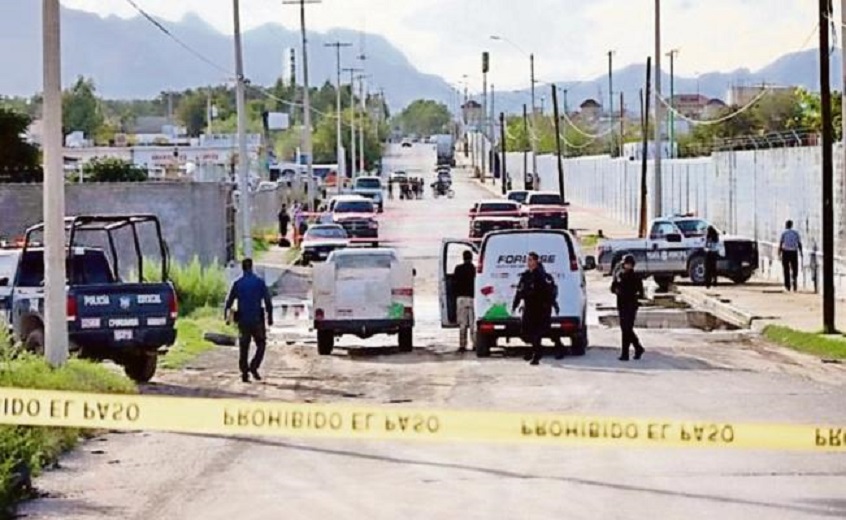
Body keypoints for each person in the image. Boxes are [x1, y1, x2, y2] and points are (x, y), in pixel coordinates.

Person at [225, 258, 274, 383]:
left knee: (244, 347)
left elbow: (229, 302)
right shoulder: (259, 282)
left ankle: (244, 373)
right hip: (257, 319)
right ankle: (254, 365)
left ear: (242, 268)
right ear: (252, 267)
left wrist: (226, 316)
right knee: (261, 344)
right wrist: (270, 317)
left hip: (243, 319)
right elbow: (268, 301)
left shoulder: (238, 283)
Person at [512, 252, 558, 365]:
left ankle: (537, 355)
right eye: (528, 260)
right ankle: (536, 350)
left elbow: (547, 292)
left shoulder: (540, 275)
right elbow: (520, 291)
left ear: (536, 262)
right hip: (528, 307)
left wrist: (554, 305)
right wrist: (515, 304)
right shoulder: (526, 275)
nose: (529, 263)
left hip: (539, 308)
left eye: (531, 260)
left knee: (537, 332)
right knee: (526, 332)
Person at [611, 254, 645, 362]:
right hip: (621, 304)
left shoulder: (635, 277)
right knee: (625, 329)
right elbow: (612, 287)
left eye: (629, 264)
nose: (627, 266)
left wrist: (634, 295)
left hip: (631, 305)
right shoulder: (619, 275)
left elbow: (641, 292)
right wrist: (616, 290)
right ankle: (637, 347)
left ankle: (625, 353)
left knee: (627, 328)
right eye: (625, 264)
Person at [453, 250, 476, 352]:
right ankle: (475, 344)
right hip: (472, 298)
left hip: (461, 298)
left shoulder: (458, 269)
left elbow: (454, 282)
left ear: (463, 257)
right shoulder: (474, 269)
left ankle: (462, 345)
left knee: (462, 323)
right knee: (472, 323)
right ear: (471, 258)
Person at [779, 220, 802, 292]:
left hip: (786, 252)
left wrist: (779, 252)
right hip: (794, 252)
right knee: (794, 268)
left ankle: (787, 285)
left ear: (786, 225)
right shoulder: (796, 233)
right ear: (791, 225)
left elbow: (781, 243)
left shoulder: (784, 233)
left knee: (786, 269)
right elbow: (799, 243)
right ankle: (794, 279)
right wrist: (801, 252)